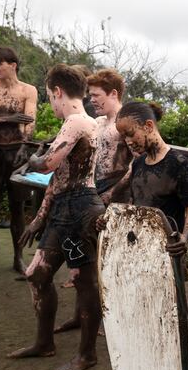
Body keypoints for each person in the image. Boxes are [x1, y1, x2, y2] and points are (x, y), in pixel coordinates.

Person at [101, 100, 188, 370]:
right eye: (122, 137)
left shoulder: (179, 164)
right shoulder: (138, 164)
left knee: (164, 324)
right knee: (135, 320)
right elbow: (120, 196)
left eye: (130, 134)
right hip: (136, 255)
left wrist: (183, 240)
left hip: (166, 256)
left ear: (148, 127)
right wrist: (104, 213)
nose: (127, 141)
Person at [8, 64, 105, 370]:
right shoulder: (78, 123)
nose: (51, 102)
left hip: (81, 211)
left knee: (84, 279)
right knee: (37, 273)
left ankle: (86, 354)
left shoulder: (77, 121)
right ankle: (44, 341)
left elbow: (48, 165)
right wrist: (39, 218)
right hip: (65, 208)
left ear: (58, 92)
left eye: (49, 96)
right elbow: (58, 180)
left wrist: (31, 156)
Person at [52, 67, 133, 329]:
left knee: (113, 259)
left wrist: (113, 193)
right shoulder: (96, 123)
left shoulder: (126, 120)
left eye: (97, 95)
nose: (92, 100)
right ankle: (82, 316)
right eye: (90, 95)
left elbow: (136, 165)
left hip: (119, 194)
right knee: (86, 260)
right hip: (92, 192)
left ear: (113, 93)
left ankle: (115, 319)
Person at [0, 47, 37, 277]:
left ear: (12, 65)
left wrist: (25, 144)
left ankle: (19, 257)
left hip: (16, 153)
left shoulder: (27, 90)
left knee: (17, 207)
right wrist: (6, 119)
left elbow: (29, 121)